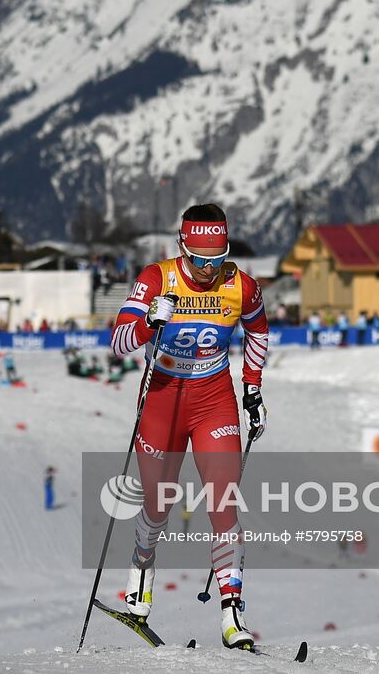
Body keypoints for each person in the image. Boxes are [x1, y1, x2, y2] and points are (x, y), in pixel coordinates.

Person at [111, 204, 270, 650]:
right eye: (200, 260)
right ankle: (142, 566)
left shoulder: (240, 285)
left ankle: (232, 613)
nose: (207, 270)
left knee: (224, 505)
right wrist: (148, 322)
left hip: (213, 401)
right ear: (182, 248)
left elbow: (258, 331)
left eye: (217, 260)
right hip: (162, 399)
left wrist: (252, 388)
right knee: (158, 506)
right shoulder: (157, 278)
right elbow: (119, 340)